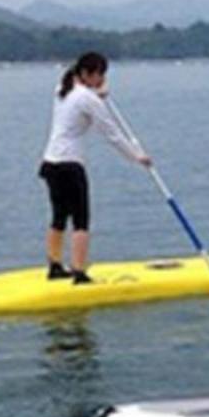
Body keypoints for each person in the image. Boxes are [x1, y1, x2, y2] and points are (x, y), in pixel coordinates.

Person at [39, 51, 150, 283]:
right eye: (100, 75)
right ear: (88, 74)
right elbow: (112, 134)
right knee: (81, 219)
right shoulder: (88, 100)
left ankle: (55, 266)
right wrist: (137, 156)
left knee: (59, 216)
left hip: (50, 163)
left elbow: (82, 91)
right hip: (70, 165)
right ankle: (79, 272)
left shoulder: (61, 88)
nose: (102, 80)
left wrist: (97, 92)